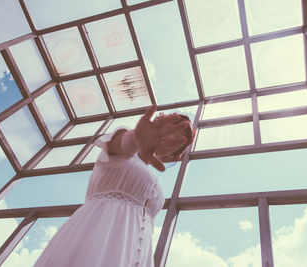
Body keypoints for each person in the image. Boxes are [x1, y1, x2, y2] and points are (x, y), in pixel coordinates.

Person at [34, 105, 196, 267]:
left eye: (179, 140)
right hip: (100, 231)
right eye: (172, 128)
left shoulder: (152, 179)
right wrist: (135, 138)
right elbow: (122, 144)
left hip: (135, 250)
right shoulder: (124, 153)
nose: (169, 137)